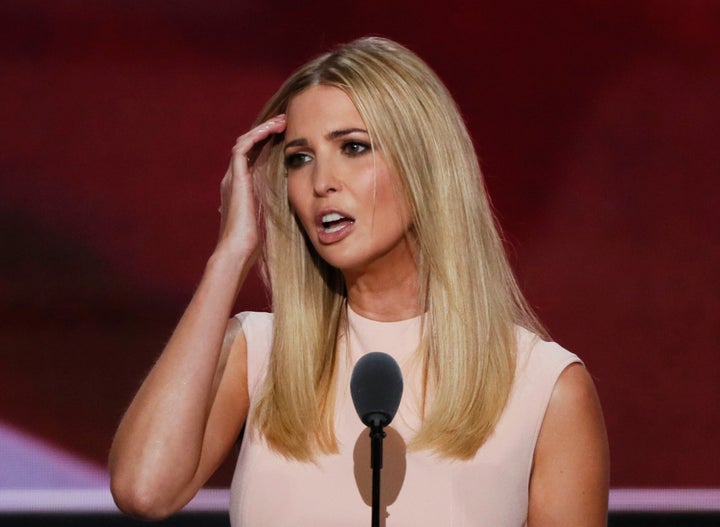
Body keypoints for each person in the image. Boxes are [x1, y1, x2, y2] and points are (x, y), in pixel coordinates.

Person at [109, 37, 609, 526]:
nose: (322, 181)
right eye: (299, 158)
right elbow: (144, 491)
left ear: (426, 166)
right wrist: (229, 257)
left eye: (353, 147)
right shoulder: (259, 354)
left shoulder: (545, 387)